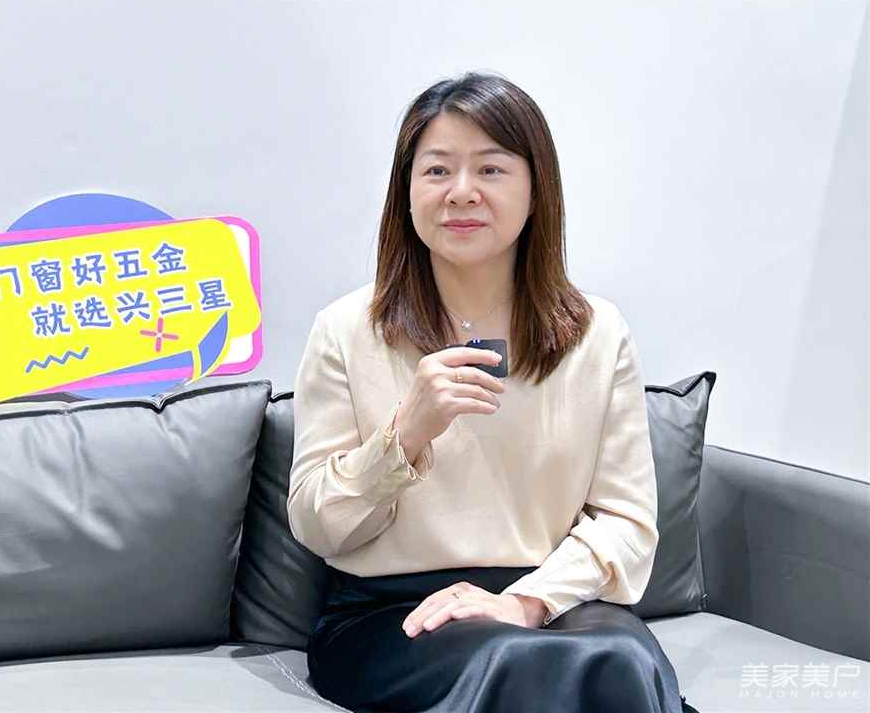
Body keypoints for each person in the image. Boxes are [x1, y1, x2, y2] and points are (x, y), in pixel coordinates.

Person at [287, 71, 699, 713]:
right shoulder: (346, 330)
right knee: (515, 662)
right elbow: (318, 525)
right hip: (393, 615)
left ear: (536, 192)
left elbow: (626, 522)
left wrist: (525, 601)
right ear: (406, 193)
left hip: (553, 599)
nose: (461, 192)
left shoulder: (597, 332)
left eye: (490, 169)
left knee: (616, 660)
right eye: (437, 170)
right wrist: (405, 434)